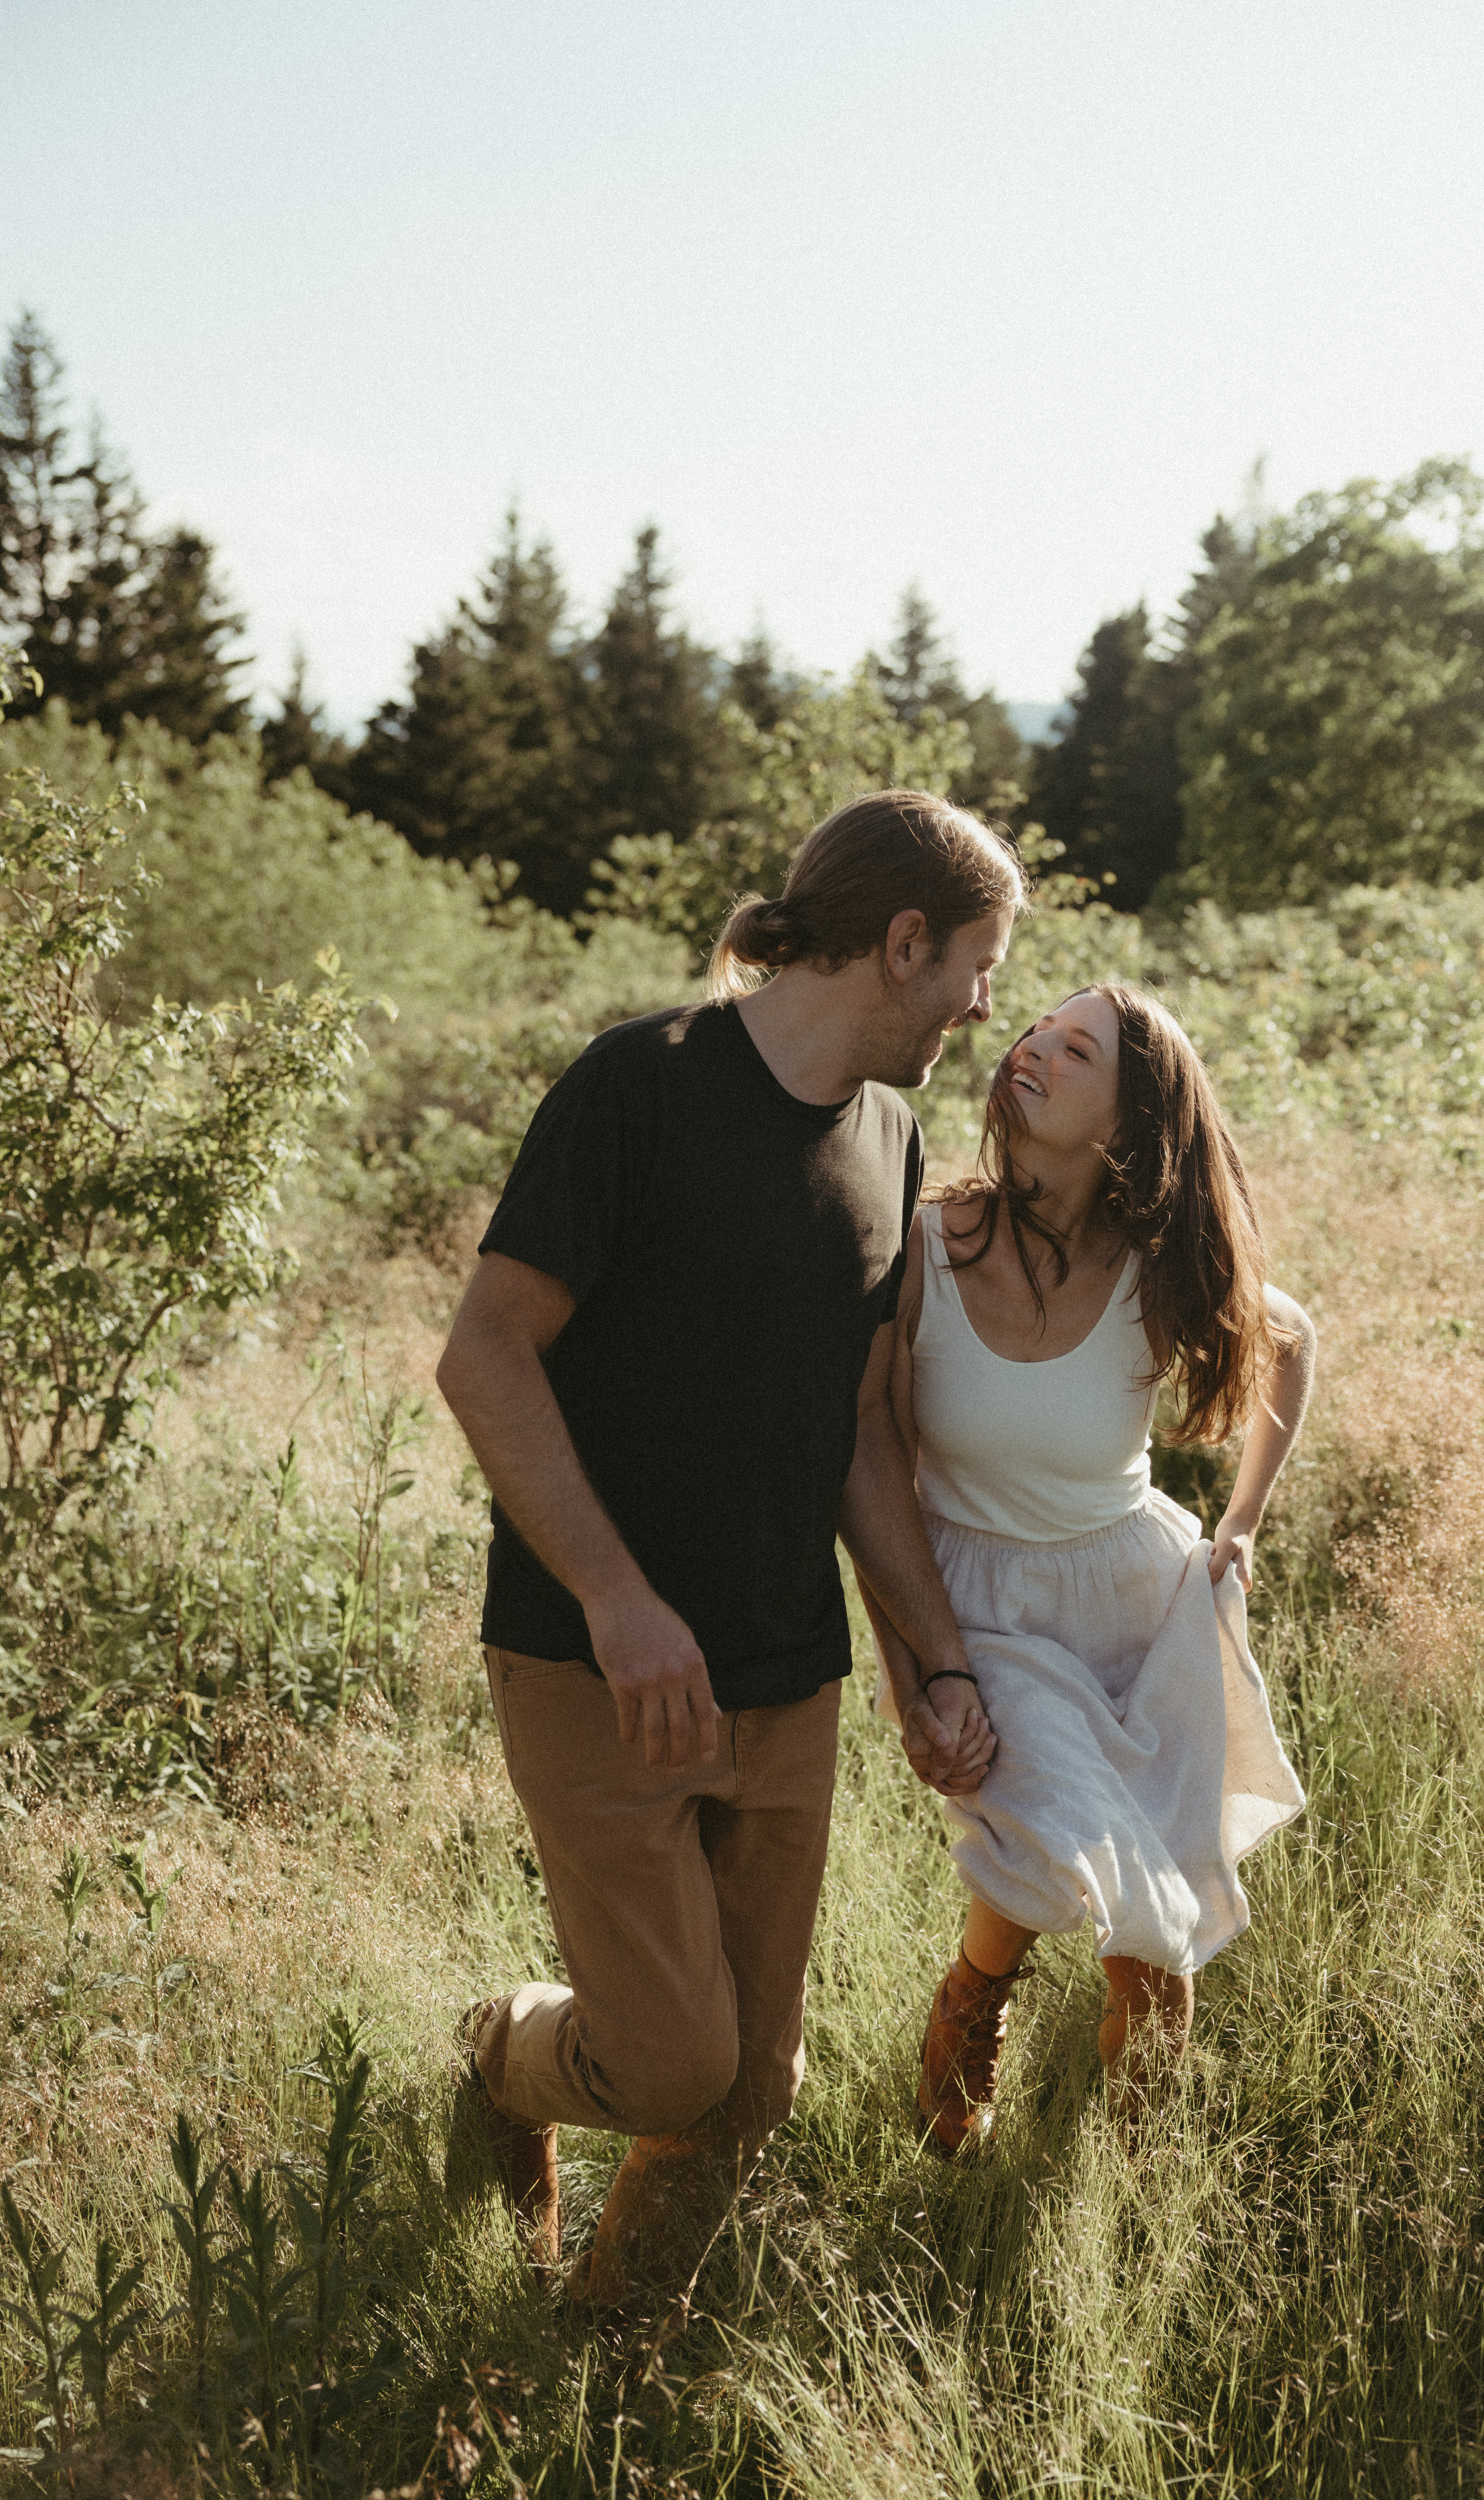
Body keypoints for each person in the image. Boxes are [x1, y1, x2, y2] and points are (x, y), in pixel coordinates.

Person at [435, 789, 1022, 2303]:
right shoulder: (643, 1083)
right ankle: (501, 2050)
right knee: (673, 2061)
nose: (981, 1004)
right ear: (903, 944)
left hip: (784, 1666)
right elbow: (486, 1353)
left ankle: (593, 2354)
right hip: (598, 1660)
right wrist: (621, 1602)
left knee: (754, 2088)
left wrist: (932, 1664)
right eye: (975, 965)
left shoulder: (889, 1138)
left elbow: (862, 1436)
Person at [859, 981, 1314, 2149]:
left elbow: (1293, 1344)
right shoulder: (923, 1244)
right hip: (984, 1615)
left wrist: (1244, 1522)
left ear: (1127, 1124)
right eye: (1036, 1033)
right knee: (1077, 1845)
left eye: (1078, 1051)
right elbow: (872, 1463)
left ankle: (1130, 2188)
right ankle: (976, 1995)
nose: (1033, 1052)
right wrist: (914, 1668)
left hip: (1138, 1606)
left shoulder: (1155, 1269)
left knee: (1150, 1939)